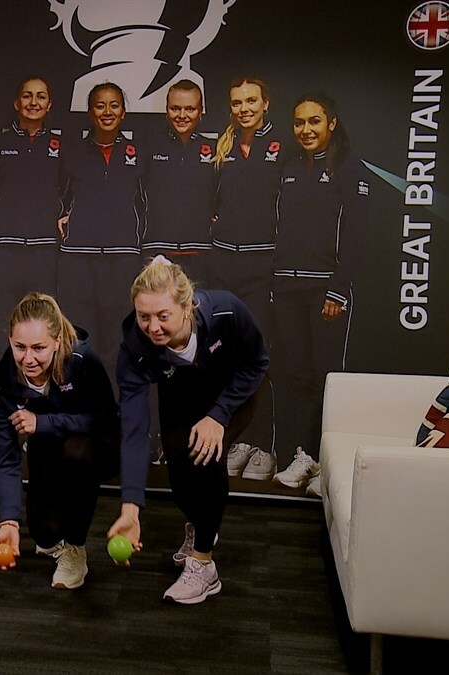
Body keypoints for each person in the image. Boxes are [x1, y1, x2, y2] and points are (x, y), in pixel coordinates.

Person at [108, 256, 268, 604]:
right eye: (144, 316)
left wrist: (219, 415)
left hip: (233, 390)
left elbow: (257, 362)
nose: (152, 327)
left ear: (186, 306)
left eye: (163, 316)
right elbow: (134, 429)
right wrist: (130, 508)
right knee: (179, 477)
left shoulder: (226, 311)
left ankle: (204, 564)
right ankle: (201, 526)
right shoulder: (134, 348)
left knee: (205, 457)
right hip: (180, 392)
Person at [269, 93, 369, 493]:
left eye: (314, 121)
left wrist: (338, 290)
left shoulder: (349, 167)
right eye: (299, 123)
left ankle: (326, 465)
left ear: (332, 123)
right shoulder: (289, 167)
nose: (306, 130)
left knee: (326, 379)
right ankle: (303, 456)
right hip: (287, 288)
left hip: (325, 291)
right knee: (294, 376)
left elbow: (356, 236)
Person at [0, 293, 118, 590]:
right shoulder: (0, 385)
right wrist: (8, 522)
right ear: (9, 340)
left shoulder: (83, 361)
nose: (28, 359)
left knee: (76, 452)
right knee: (44, 534)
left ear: (57, 341)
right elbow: (6, 459)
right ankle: (55, 538)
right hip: (46, 443)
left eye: (39, 348)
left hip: (96, 445)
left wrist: (42, 422)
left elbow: (105, 420)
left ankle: (75, 548)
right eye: (20, 347)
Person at [210, 77, 285, 480]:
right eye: (237, 102)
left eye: (252, 100)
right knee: (226, 358)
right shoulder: (221, 148)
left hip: (262, 268)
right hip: (225, 266)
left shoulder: (283, 147)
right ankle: (237, 440)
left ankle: (264, 446)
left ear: (265, 103)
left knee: (259, 358)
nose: (245, 108)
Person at [57, 82, 146, 376]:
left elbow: (148, 200)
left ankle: (115, 400)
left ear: (123, 112)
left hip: (123, 256)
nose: (107, 111)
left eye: (114, 105)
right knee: (81, 335)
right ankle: (82, 400)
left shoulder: (139, 152)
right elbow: (56, 194)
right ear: (90, 112)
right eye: (100, 105)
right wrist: (61, 215)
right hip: (78, 257)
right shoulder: (72, 152)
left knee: (118, 337)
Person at [0, 76, 64, 344]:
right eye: (27, 96)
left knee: (41, 325)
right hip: (3, 250)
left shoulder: (61, 145)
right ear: (17, 103)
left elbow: (72, 190)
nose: (33, 102)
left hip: (44, 251)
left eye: (41, 96)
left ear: (49, 104)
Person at [143, 79, 216, 287]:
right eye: (175, 108)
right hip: (158, 251)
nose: (182, 115)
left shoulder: (215, 149)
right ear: (166, 110)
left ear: (201, 111)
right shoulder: (148, 146)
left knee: (199, 307)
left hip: (201, 253)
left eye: (190, 109)